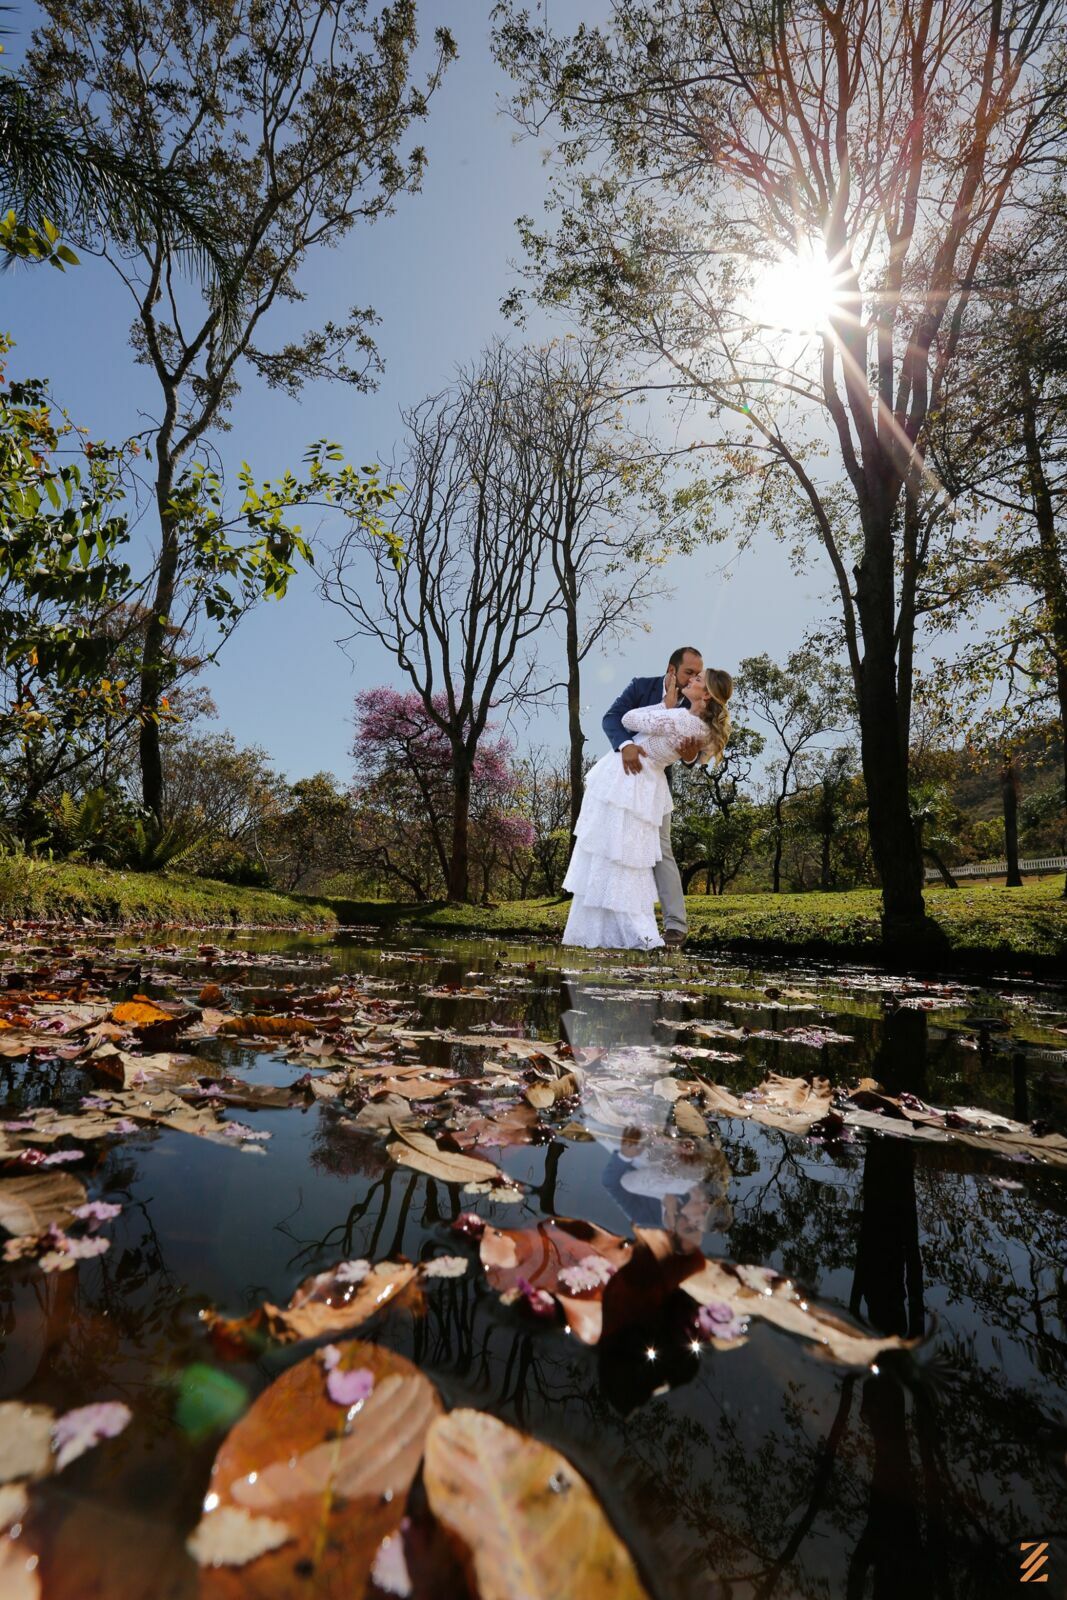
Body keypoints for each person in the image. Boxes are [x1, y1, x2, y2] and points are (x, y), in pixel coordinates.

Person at [562, 663, 733, 950]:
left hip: (631, 783)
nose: (691, 680)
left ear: (705, 696)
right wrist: (668, 707)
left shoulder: (684, 718)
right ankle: (609, 929)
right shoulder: (691, 720)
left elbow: (630, 719)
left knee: (618, 856)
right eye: (691, 674)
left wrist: (665, 704)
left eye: (698, 679)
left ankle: (630, 930)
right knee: (620, 856)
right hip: (641, 783)